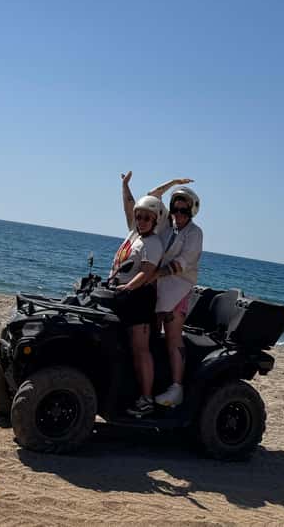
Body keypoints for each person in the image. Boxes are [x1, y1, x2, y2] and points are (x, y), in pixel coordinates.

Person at [120, 173, 203, 408]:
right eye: (175, 208)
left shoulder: (194, 233)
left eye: (184, 210)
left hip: (178, 289)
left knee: (173, 337)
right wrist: (173, 183)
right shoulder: (167, 225)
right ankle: (153, 382)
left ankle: (176, 387)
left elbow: (182, 263)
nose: (178, 214)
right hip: (156, 289)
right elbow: (150, 197)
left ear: (192, 211)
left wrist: (153, 274)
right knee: (152, 337)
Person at [111, 188, 165, 417]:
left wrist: (128, 287)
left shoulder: (153, 243)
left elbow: (146, 272)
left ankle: (146, 399)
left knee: (140, 349)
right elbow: (129, 204)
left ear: (155, 220)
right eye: (139, 217)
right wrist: (125, 186)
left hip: (139, 299)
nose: (141, 221)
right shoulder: (134, 236)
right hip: (124, 296)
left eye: (146, 218)